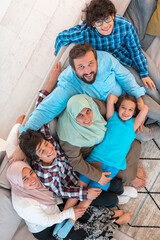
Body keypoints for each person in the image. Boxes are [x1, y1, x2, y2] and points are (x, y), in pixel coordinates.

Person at [18, 43, 160, 187]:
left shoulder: (106, 59)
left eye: (91, 64)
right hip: (112, 116)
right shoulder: (69, 84)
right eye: (81, 67)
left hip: (127, 100)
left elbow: (126, 78)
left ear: (97, 61)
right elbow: (45, 109)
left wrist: (138, 101)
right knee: (143, 134)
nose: (87, 70)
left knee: (155, 108)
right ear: (73, 69)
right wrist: (21, 143)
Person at [54, 0, 160, 104]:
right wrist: (56, 53)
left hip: (133, 54)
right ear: (93, 24)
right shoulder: (86, 34)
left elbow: (135, 50)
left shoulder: (124, 25)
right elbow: (62, 37)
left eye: (107, 19)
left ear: (113, 15)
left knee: (157, 80)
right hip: (120, 64)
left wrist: (144, 73)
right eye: (99, 22)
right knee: (149, 89)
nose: (105, 25)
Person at [6, 161, 121, 240]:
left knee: (87, 212)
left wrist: (18, 124)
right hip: (47, 229)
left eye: (31, 173)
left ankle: (112, 215)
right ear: (17, 183)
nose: (32, 179)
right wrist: (69, 213)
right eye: (25, 179)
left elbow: (13, 146)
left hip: (58, 209)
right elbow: (47, 221)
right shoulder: (25, 205)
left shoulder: (25, 175)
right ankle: (116, 223)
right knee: (85, 233)